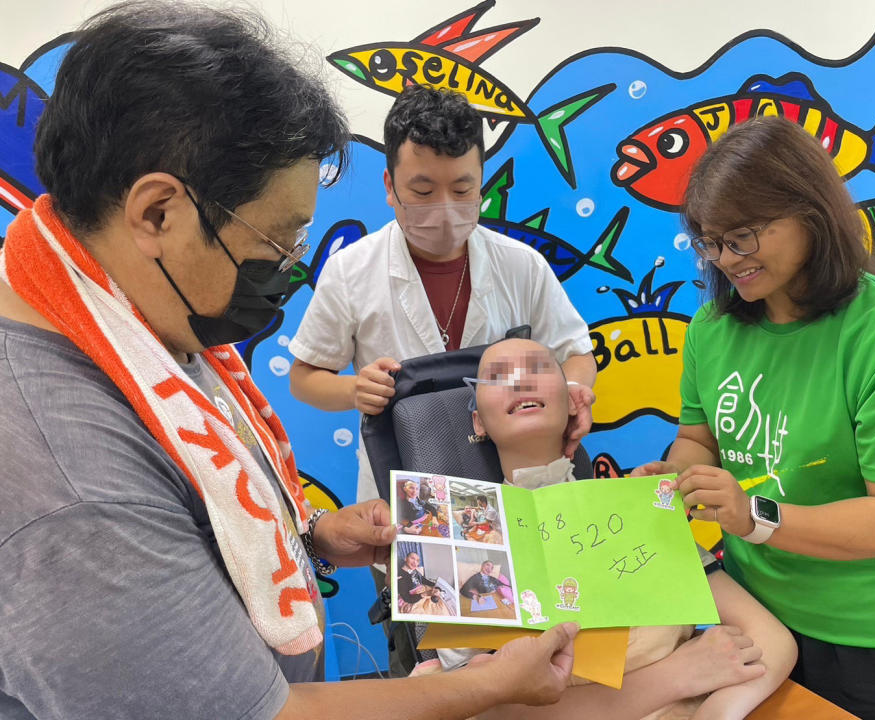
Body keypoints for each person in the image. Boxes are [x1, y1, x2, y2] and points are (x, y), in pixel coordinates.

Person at [0, 4, 582, 718]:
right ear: (157, 213)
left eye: (462, 190)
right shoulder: (75, 491)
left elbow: (194, 524)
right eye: (276, 240)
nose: (286, 268)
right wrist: (488, 686)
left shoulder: (145, 327)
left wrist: (312, 541)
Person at [634, 116, 875, 720]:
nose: (726, 259)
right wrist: (678, 478)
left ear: (810, 213)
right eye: (709, 241)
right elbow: (699, 438)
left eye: (744, 237)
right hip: (760, 620)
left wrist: (752, 515)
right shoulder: (714, 326)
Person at [422, 338, 797, 720]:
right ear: (478, 421)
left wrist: (716, 713)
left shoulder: (638, 510)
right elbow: (474, 710)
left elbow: (771, 640)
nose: (520, 382)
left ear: (572, 400)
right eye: (498, 377)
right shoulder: (461, 541)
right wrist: (675, 676)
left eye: (538, 368)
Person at [288, 84, 598, 512]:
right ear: (389, 185)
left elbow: (577, 353)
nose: (445, 208)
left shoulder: (521, 265)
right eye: (423, 191)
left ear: (482, 183)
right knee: (418, 575)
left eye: (462, 189)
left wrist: (576, 389)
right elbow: (304, 378)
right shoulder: (351, 271)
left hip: (522, 495)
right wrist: (354, 389)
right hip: (405, 484)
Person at [396, 552, 453, 616]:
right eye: (412, 558)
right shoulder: (400, 577)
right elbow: (407, 598)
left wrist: (436, 586)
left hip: (421, 590)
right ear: (405, 559)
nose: (415, 562)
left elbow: (423, 580)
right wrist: (425, 594)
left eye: (417, 561)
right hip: (411, 599)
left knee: (440, 609)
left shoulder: (414, 570)